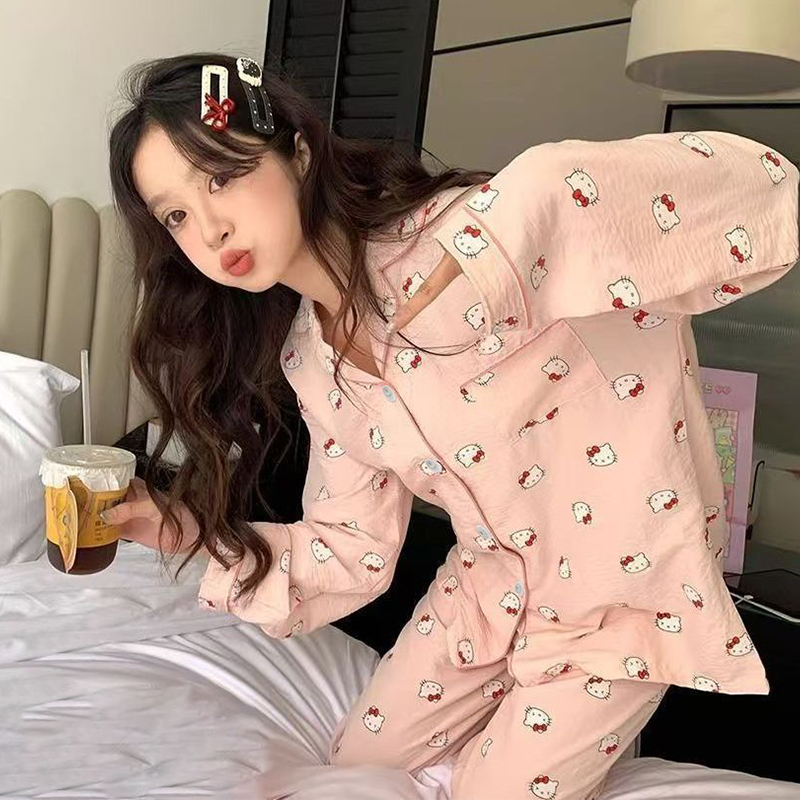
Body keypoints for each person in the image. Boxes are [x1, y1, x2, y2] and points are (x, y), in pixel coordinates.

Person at [103, 52, 799, 800]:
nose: (210, 229)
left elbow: (765, 188)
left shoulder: (474, 231)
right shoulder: (310, 360)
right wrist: (184, 532)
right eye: (176, 215)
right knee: (356, 770)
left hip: (616, 595)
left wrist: (531, 199)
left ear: (297, 153)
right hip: (484, 591)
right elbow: (351, 548)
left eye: (222, 175)